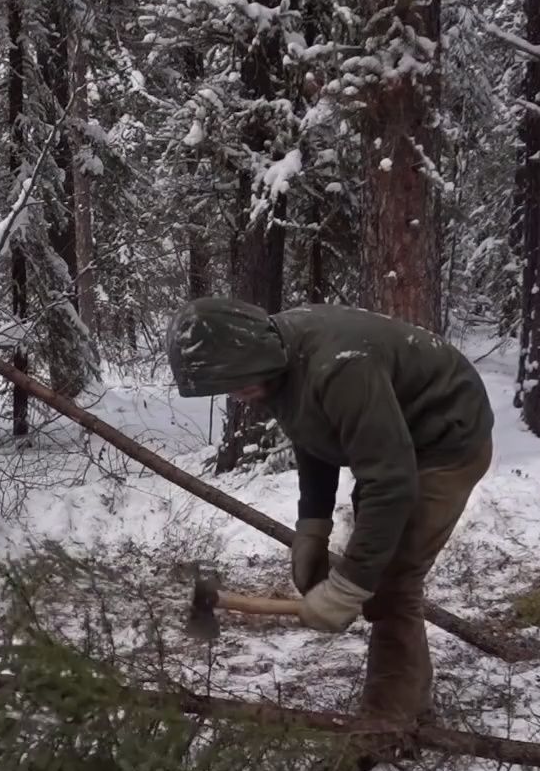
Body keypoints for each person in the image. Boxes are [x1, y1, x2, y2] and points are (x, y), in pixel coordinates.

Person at [166, 298, 494, 722]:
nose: (236, 393)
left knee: (393, 581)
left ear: (253, 354)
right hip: (394, 440)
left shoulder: (340, 367)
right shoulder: (275, 362)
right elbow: (313, 431)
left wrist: (349, 587)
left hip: (446, 440)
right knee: (380, 561)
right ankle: (406, 695)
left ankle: (389, 725)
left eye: (237, 382)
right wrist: (313, 527)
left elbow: (391, 484)